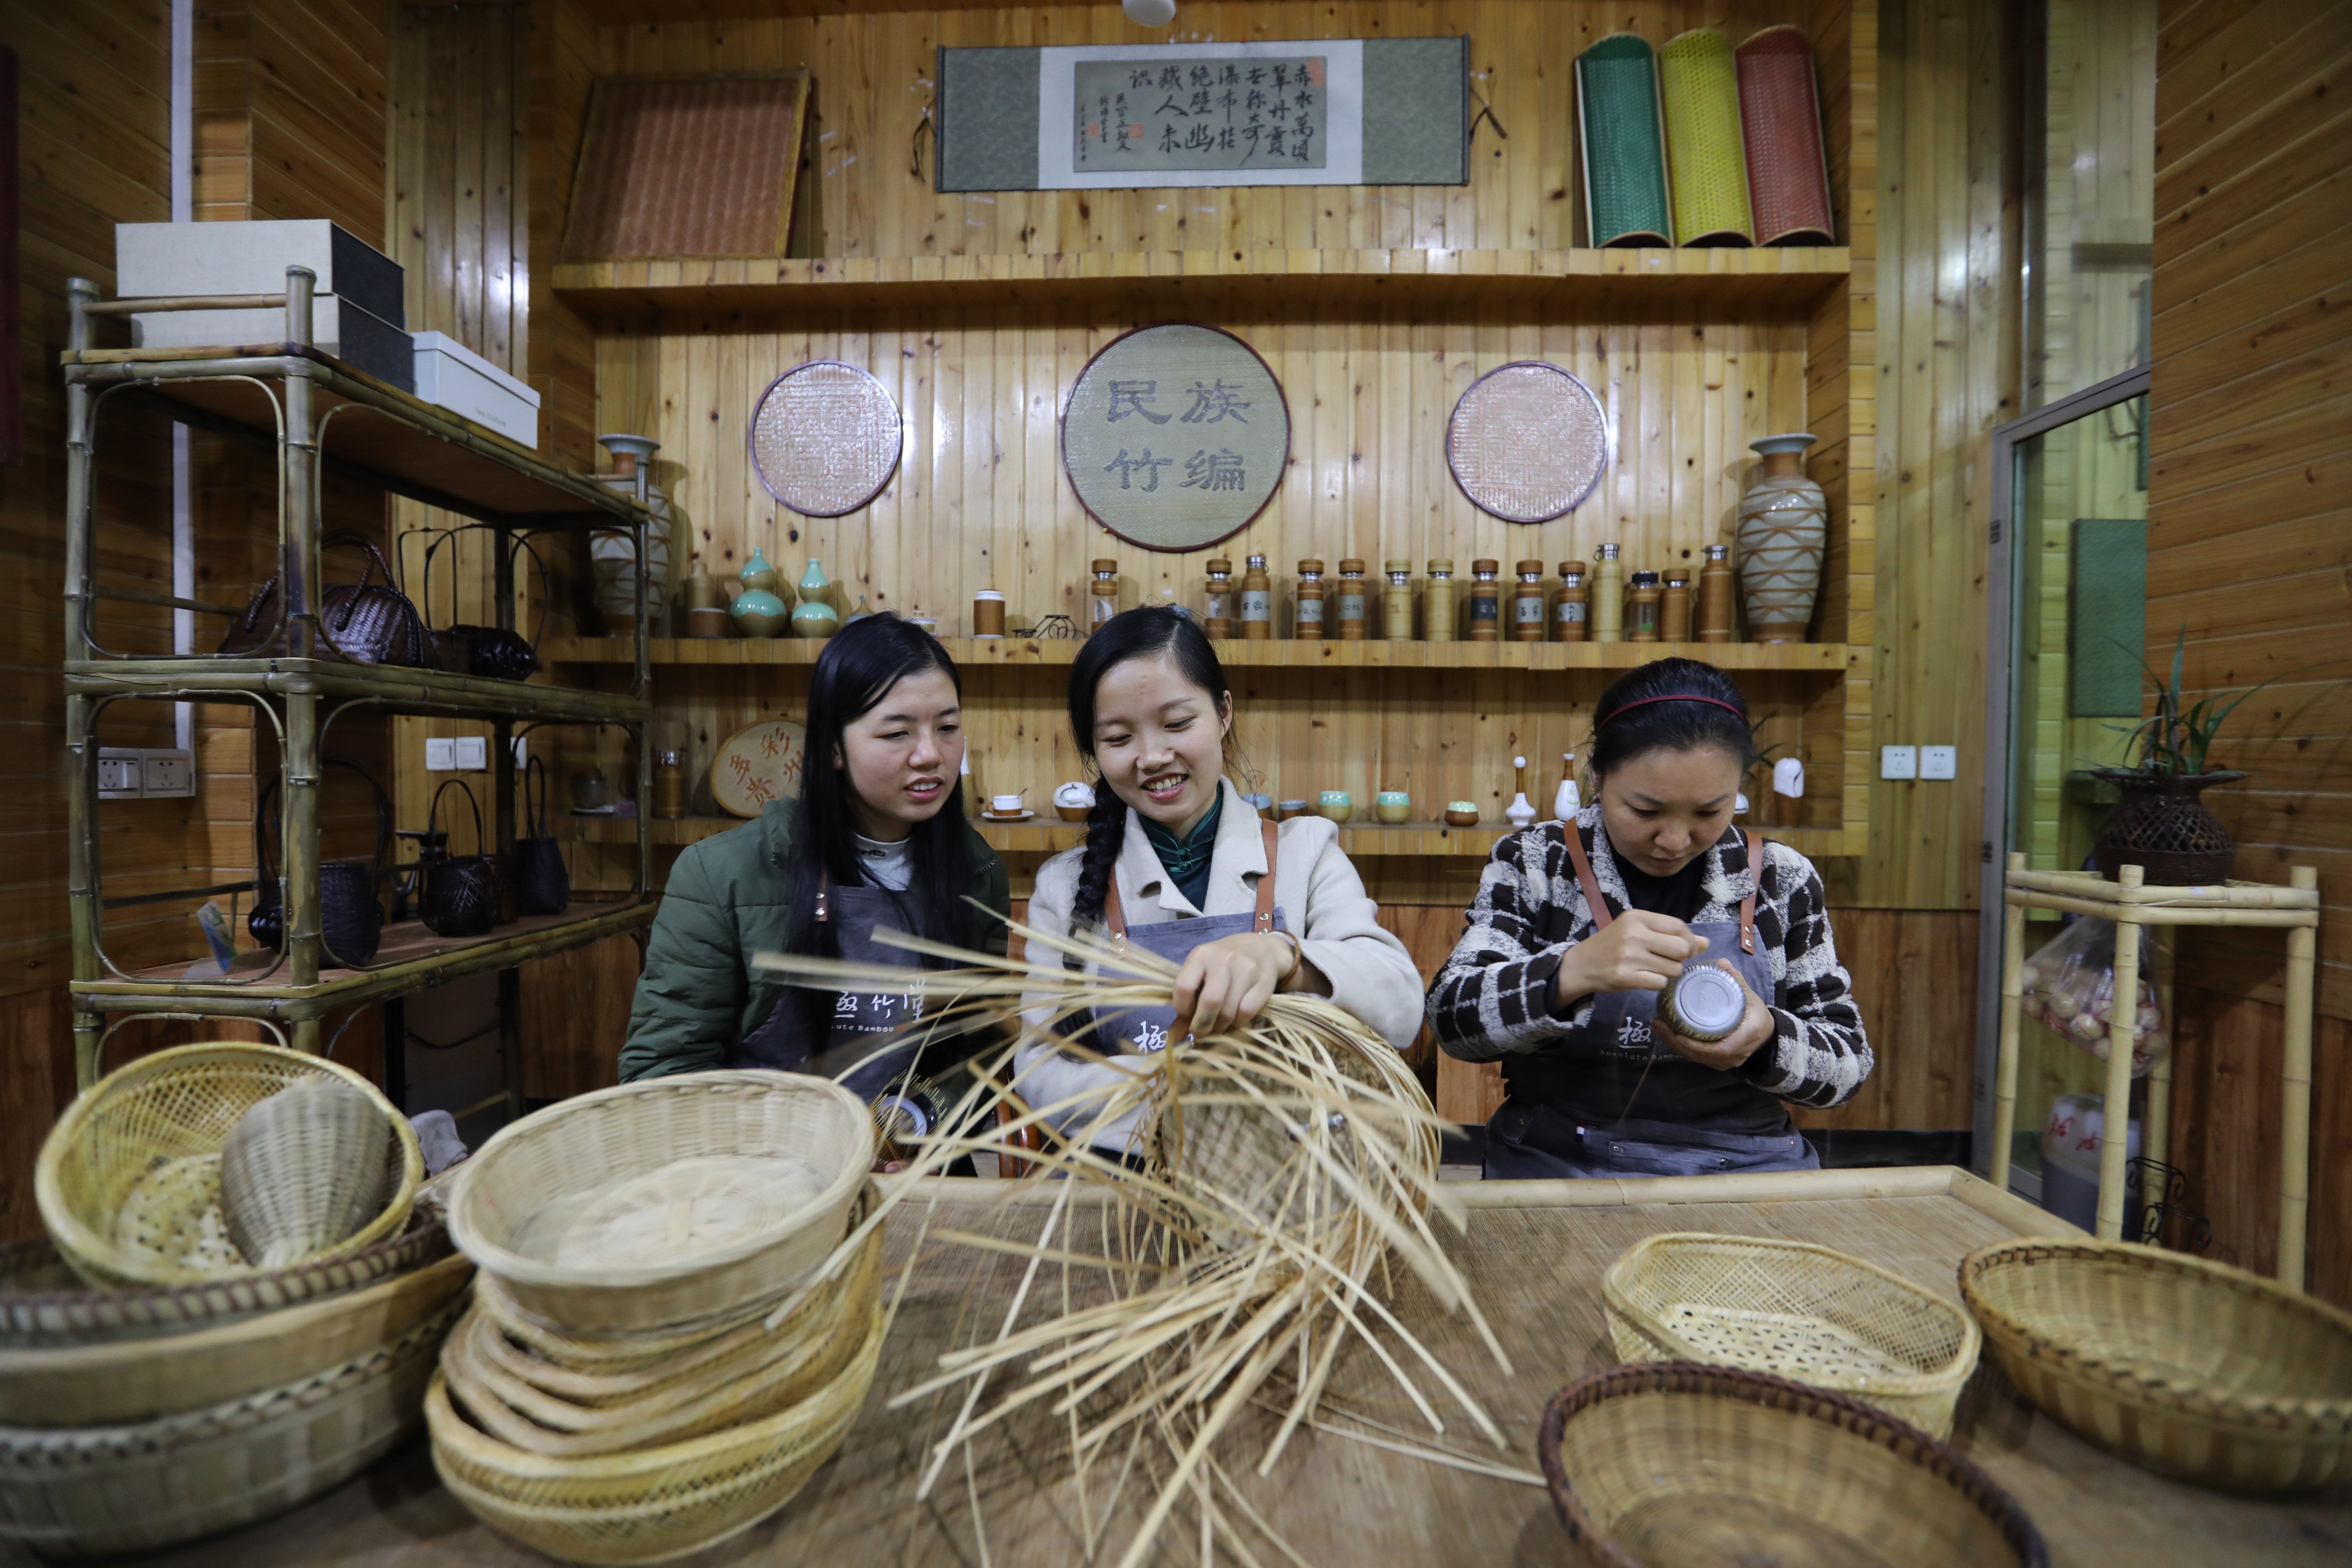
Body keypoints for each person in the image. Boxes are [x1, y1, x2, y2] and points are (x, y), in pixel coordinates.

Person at [1427, 657, 1870, 1178]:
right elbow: (1453, 1022)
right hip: (1562, 1162)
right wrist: (1568, 974)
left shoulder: (1781, 878)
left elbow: (1847, 1066)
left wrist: (1766, 1041)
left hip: (1749, 1167)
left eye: (1709, 812)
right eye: (1644, 811)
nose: (1674, 840)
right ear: (1597, 773)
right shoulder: (1538, 861)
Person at [1018, 606, 1424, 1154]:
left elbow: (1401, 1006)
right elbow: (1041, 1074)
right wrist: (1183, 1091)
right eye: (1118, 738)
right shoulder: (1064, 888)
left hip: (1287, 1189)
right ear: (1094, 751)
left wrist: (1285, 957)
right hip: (1117, 1190)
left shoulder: (1305, 853)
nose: (1154, 757)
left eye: (1178, 723)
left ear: (1224, 713)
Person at [622, 614, 1009, 1080]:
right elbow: (664, 1067)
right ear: (833, 749)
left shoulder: (977, 872)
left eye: (947, 728)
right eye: (896, 733)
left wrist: (917, 1125)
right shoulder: (723, 874)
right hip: (762, 1147)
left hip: (914, 1147)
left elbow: (982, 1055)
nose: (930, 754)